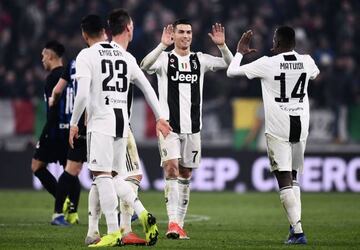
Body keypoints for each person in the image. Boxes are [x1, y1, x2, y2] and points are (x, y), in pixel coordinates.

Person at [69, 12, 171, 247]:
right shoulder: (126, 56)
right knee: (114, 176)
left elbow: (83, 94)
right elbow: (148, 88)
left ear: (85, 35)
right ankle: (142, 213)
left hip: (101, 123)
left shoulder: (87, 55)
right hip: (121, 125)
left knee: (101, 176)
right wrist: (160, 118)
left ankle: (114, 232)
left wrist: (74, 123)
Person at [140, 19, 233, 239]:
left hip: (193, 129)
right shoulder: (164, 59)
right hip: (169, 127)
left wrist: (222, 46)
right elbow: (144, 66)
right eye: (181, 32)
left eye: (188, 32)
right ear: (174, 35)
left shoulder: (199, 60)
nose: (185, 36)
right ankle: (173, 223)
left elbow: (229, 64)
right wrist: (162, 45)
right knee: (171, 168)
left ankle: (179, 225)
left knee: (185, 173)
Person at [227, 26, 320, 245]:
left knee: (284, 178)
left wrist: (240, 51)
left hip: (279, 127)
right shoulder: (307, 61)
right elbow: (315, 73)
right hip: (301, 125)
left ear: (277, 43)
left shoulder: (267, 63)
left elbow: (232, 71)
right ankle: (295, 225)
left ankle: (297, 232)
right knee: (294, 176)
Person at [31, 40, 69, 217]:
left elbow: (53, 110)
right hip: (69, 130)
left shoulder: (53, 78)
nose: (42, 59)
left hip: (54, 131)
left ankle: (64, 204)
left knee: (37, 166)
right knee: (71, 171)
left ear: (51, 55)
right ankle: (69, 205)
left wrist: (44, 133)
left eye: (43, 55)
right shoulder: (69, 74)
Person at [48, 59, 86, 226]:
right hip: (90, 122)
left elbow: (57, 90)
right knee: (111, 168)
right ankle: (126, 212)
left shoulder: (73, 63)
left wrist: (52, 101)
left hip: (76, 123)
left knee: (73, 169)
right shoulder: (96, 58)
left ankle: (63, 213)